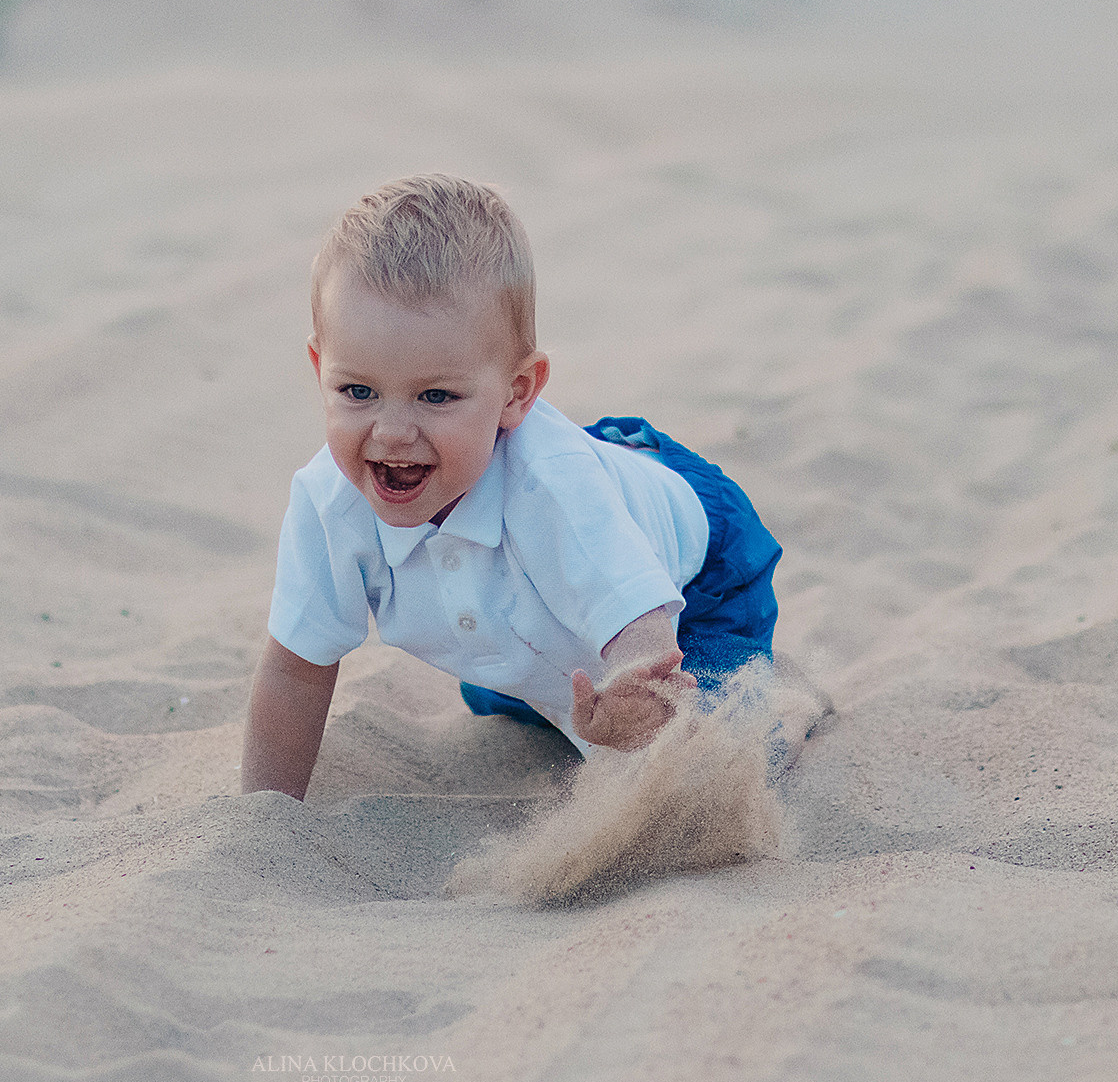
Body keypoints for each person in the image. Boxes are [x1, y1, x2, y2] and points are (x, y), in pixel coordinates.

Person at [240, 173, 782, 800]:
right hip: (528, 583)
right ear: (319, 369)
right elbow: (296, 673)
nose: (390, 433)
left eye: (436, 395)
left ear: (517, 392)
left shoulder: (555, 492)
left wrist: (640, 688)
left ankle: (780, 714)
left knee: (713, 771)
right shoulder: (325, 501)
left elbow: (642, 620)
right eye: (357, 391)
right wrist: (262, 820)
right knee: (519, 676)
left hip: (700, 571)